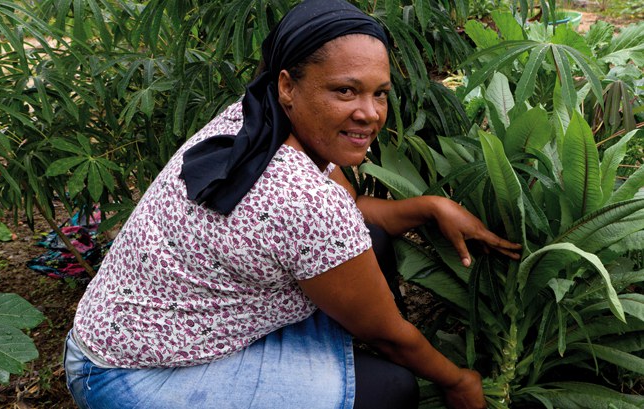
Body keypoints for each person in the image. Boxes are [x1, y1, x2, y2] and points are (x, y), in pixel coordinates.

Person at [63, 1, 522, 408]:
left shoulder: (256, 117)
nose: (370, 113)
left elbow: (356, 207)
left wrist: (431, 206)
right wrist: (460, 381)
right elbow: (387, 335)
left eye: (379, 92)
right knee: (391, 388)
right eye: (345, 90)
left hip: (130, 331)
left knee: (371, 243)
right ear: (287, 85)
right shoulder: (302, 198)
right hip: (132, 379)